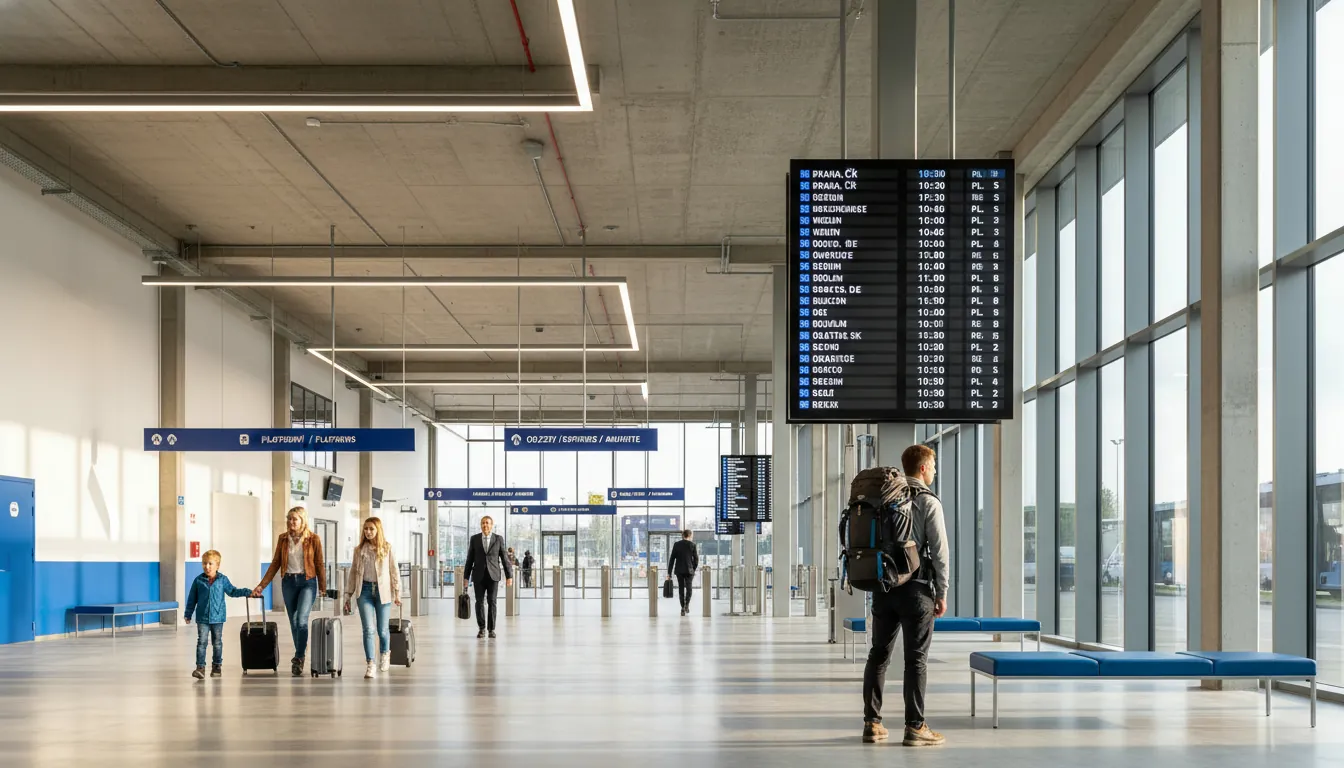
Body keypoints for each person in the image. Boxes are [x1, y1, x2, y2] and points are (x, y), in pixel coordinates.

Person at [862, 445, 950, 747]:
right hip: (917, 591)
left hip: (884, 588)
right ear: (923, 468)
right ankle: (915, 726)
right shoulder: (928, 501)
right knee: (916, 660)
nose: (935, 472)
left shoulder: (885, 500)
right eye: (934, 467)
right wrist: (942, 592)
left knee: (879, 654)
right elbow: (939, 552)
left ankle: (872, 723)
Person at [254, 506, 327, 677]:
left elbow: (319, 563)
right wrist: (261, 585)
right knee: (293, 621)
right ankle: (300, 650)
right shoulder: (283, 539)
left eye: (294, 519)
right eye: (289, 519)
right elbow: (275, 563)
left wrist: (323, 587)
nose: (291, 522)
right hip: (288, 582)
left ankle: (299, 657)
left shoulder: (313, 539)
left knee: (301, 619)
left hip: (307, 582)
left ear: (303, 520)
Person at [344, 516, 401, 679]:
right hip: (365, 592)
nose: (368, 532)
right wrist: (348, 594)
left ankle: (385, 653)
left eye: (371, 529)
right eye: (366, 529)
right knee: (368, 629)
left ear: (378, 530)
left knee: (382, 630)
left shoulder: (387, 548)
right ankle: (370, 663)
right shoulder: (359, 550)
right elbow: (353, 573)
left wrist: (397, 592)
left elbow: (394, 570)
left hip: (383, 592)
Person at [184, 549, 253, 680]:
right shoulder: (198, 581)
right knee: (202, 642)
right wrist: (188, 614)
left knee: (217, 642)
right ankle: (200, 668)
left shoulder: (222, 580)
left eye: (210, 564)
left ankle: (217, 666)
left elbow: (232, 591)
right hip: (202, 618)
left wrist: (247, 592)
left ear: (217, 565)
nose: (207, 566)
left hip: (218, 617)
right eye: (204, 563)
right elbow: (192, 599)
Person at [463, 516, 512, 639]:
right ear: (481, 525)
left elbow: (504, 558)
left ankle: (491, 629)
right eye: (483, 523)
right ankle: (481, 629)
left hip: (493, 575)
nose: (485, 525)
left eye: (487, 523)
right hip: (478, 576)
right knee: (479, 602)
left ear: (492, 525)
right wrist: (466, 577)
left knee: (492, 602)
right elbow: (469, 559)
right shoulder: (474, 539)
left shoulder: (498, 539)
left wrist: (509, 576)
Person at [667, 529, 699, 616]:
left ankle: (682, 607)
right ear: (690, 535)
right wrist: (693, 568)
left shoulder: (677, 545)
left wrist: (669, 573)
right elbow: (696, 559)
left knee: (681, 589)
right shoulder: (692, 545)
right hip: (689, 571)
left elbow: (672, 559)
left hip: (679, 570)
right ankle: (686, 605)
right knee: (689, 589)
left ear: (683, 535)